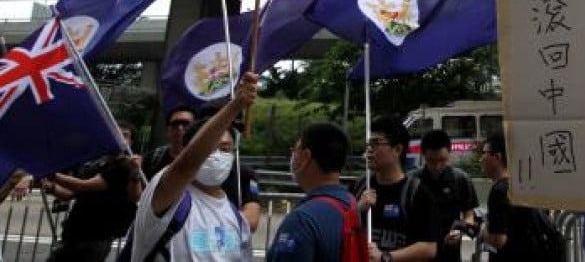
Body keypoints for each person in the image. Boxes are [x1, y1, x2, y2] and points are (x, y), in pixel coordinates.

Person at [129, 72, 258, 261]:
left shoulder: (236, 218)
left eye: (225, 149)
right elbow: (187, 165)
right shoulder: (166, 196)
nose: (217, 156)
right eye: (210, 149)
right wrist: (235, 106)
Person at [43, 121, 143, 262]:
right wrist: (52, 188)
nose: (118, 138)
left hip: (95, 240)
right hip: (73, 235)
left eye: (124, 135)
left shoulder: (125, 167)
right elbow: (70, 194)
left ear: (130, 142)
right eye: (114, 134)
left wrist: (52, 175)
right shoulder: (95, 164)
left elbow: (83, 185)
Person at [267, 122, 357, 261]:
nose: (292, 157)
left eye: (294, 150)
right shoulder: (350, 202)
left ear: (305, 156)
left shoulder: (302, 220)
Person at [355, 116, 438, 262]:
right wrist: (358, 209)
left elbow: (429, 248)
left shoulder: (417, 192)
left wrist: (385, 257)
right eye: (368, 144)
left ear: (397, 149)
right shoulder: (361, 185)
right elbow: (341, 227)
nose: (369, 150)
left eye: (376, 144)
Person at [481, 133, 563, 261]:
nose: (481, 159)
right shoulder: (526, 184)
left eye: (484, 153)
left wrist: (483, 230)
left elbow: (498, 240)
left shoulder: (499, 190)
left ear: (497, 156)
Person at [413, 129, 478, 262]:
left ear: (450, 153)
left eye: (442, 160)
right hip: (417, 249)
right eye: (431, 160)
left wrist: (460, 232)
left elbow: (468, 214)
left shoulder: (461, 179)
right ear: (423, 154)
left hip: (449, 249)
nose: (437, 166)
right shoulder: (412, 181)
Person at [142, 104, 197, 179]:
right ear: (168, 130)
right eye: (175, 124)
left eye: (186, 124)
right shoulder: (152, 158)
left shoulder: (207, 160)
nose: (180, 128)